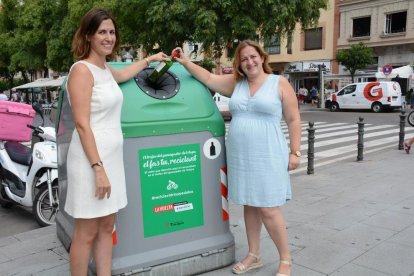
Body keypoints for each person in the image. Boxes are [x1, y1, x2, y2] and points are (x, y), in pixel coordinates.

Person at [173, 40, 301, 276]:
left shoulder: (278, 83)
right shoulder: (237, 84)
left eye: (253, 57)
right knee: (249, 205)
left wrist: (295, 151)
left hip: (269, 153)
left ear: (262, 57)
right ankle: (254, 254)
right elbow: (208, 78)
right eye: (244, 59)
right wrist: (185, 62)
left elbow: (293, 119)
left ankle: (286, 259)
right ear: (239, 64)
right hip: (242, 156)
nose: (250, 62)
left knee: (269, 208)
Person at [65, 8, 168, 276]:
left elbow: (125, 74)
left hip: (110, 160)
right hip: (91, 162)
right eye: (102, 32)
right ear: (88, 35)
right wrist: (98, 168)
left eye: (111, 32)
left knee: (107, 225)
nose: (108, 37)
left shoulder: (105, 69)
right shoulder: (81, 71)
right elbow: (81, 124)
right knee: (86, 232)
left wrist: (151, 59)